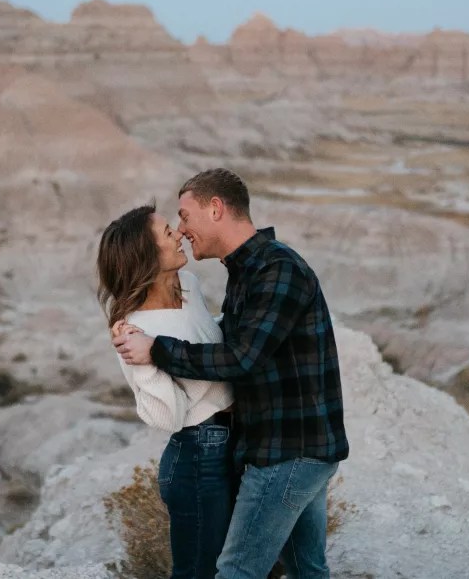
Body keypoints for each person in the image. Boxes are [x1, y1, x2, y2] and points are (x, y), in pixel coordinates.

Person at [114, 169, 349, 579]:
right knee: (306, 567)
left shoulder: (277, 270)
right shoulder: (245, 272)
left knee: (238, 570)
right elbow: (237, 343)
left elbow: (242, 358)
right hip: (287, 446)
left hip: (288, 451)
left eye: (185, 217)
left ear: (216, 208)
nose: (183, 230)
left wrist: (156, 350)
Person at [97, 203, 236, 579]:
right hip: (197, 457)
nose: (178, 233)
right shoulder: (135, 328)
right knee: (197, 572)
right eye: (166, 233)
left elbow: (209, 342)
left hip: (235, 443)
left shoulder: (187, 285)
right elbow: (168, 416)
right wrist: (144, 369)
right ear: (145, 255)